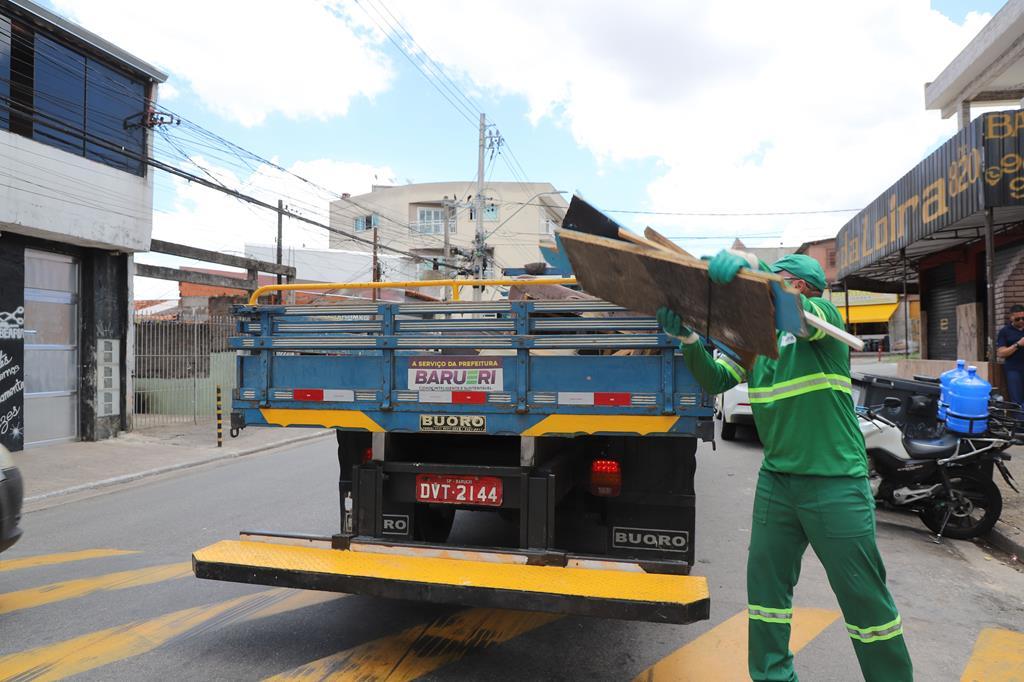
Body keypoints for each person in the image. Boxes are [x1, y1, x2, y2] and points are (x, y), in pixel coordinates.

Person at [657, 250, 913, 682]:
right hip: (777, 480)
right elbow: (716, 379)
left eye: (774, 281)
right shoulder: (755, 342)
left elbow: (797, 314)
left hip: (834, 482)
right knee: (766, 595)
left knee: (865, 601)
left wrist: (751, 269)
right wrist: (687, 340)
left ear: (797, 286)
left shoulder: (823, 321)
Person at [996, 304, 1024, 407]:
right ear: (1011, 317)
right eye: (1017, 319)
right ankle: (1019, 422)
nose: (1021, 321)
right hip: (1014, 370)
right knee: (1017, 401)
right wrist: (1018, 344)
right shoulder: (1005, 331)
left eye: (1023, 318)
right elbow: (1001, 353)